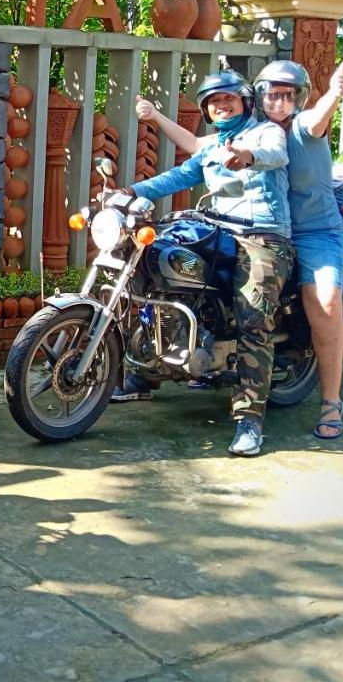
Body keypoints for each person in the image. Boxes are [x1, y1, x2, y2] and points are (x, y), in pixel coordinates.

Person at [136, 62, 343, 439]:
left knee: (319, 305)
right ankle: (144, 370)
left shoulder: (286, 130)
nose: (280, 101)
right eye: (273, 92)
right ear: (259, 94)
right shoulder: (228, 135)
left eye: (289, 94)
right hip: (229, 227)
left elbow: (292, 138)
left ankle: (320, 403)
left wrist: (335, 92)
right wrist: (131, 190)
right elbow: (190, 157)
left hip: (304, 231)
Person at [114, 71, 293, 457]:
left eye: (228, 98)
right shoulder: (213, 146)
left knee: (253, 318)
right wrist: (130, 191)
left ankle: (249, 420)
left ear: (245, 101)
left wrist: (248, 156)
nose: (221, 105)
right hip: (215, 228)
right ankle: (143, 375)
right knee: (154, 274)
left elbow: (276, 153)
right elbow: (179, 176)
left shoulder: (264, 132)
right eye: (213, 101)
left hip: (262, 236)